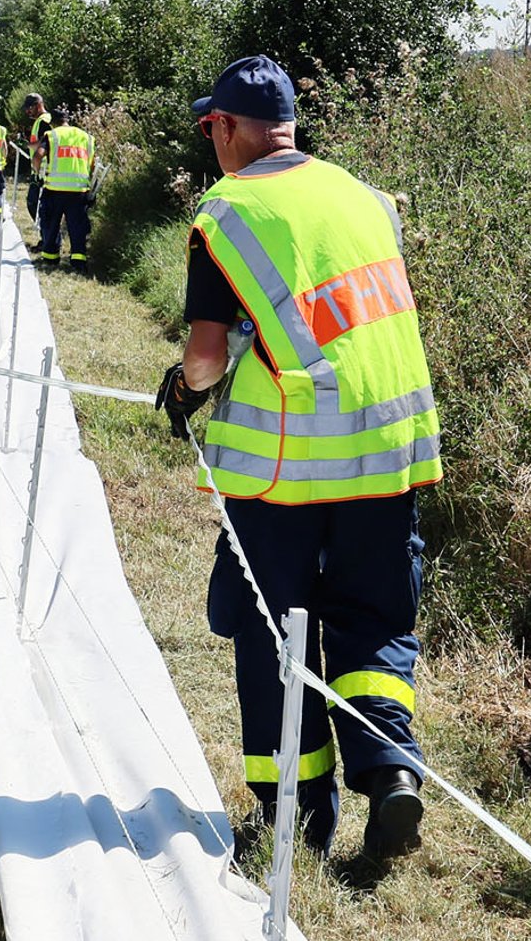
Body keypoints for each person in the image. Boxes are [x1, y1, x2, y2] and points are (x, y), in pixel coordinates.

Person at [156, 54, 442, 859]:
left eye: (211, 124)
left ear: (228, 127)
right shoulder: (366, 198)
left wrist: (183, 387)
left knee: (273, 632)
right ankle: (391, 773)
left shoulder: (228, 212)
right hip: (389, 456)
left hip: (284, 472)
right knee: (376, 624)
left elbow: (208, 358)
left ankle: (299, 809)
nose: (211, 140)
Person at [34, 106, 94, 270]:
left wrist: (37, 174)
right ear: (68, 120)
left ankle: (50, 257)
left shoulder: (52, 135)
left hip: (55, 189)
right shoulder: (86, 137)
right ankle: (78, 260)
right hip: (79, 190)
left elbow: (38, 155)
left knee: (50, 223)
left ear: (52, 122)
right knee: (77, 226)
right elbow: (92, 163)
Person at [20, 92, 51, 221]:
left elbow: (46, 142)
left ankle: (47, 236)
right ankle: (45, 236)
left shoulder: (45, 120)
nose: (28, 111)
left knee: (36, 205)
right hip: (38, 170)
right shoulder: (39, 121)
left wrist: (29, 145)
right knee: (34, 205)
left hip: (43, 171)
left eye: (30, 108)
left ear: (38, 105)